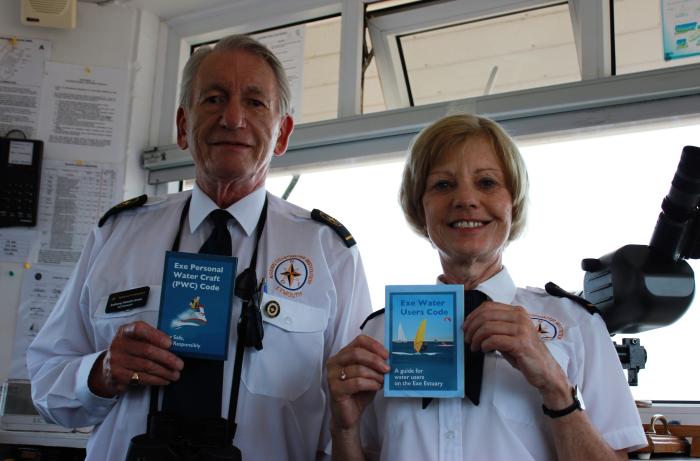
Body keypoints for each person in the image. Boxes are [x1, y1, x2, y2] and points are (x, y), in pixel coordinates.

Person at [27, 34, 371, 461]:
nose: (232, 118)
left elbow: (359, 414)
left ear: (282, 134)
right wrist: (102, 372)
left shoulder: (329, 252)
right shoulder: (115, 236)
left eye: (255, 102)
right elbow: (45, 385)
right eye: (213, 99)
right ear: (182, 126)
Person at [326, 114, 647, 460]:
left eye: (487, 183)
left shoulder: (577, 325)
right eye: (443, 185)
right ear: (420, 208)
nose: (465, 199)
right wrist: (343, 429)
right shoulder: (378, 334)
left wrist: (555, 386)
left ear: (514, 203)